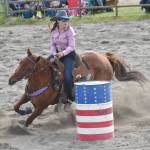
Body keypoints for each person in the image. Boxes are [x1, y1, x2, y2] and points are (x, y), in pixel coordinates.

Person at [48, 10, 76, 102]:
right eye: (63, 20)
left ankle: (70, 97)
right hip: (56, 54)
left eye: (66, 20)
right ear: (58, 21)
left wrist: (62, 53)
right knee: (44, 66)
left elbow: (71, 46)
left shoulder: (70, 30)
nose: (65, 22)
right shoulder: (53, 30)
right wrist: (54, 53)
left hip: (68, 55)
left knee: (67, 76)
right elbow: (52, 45)